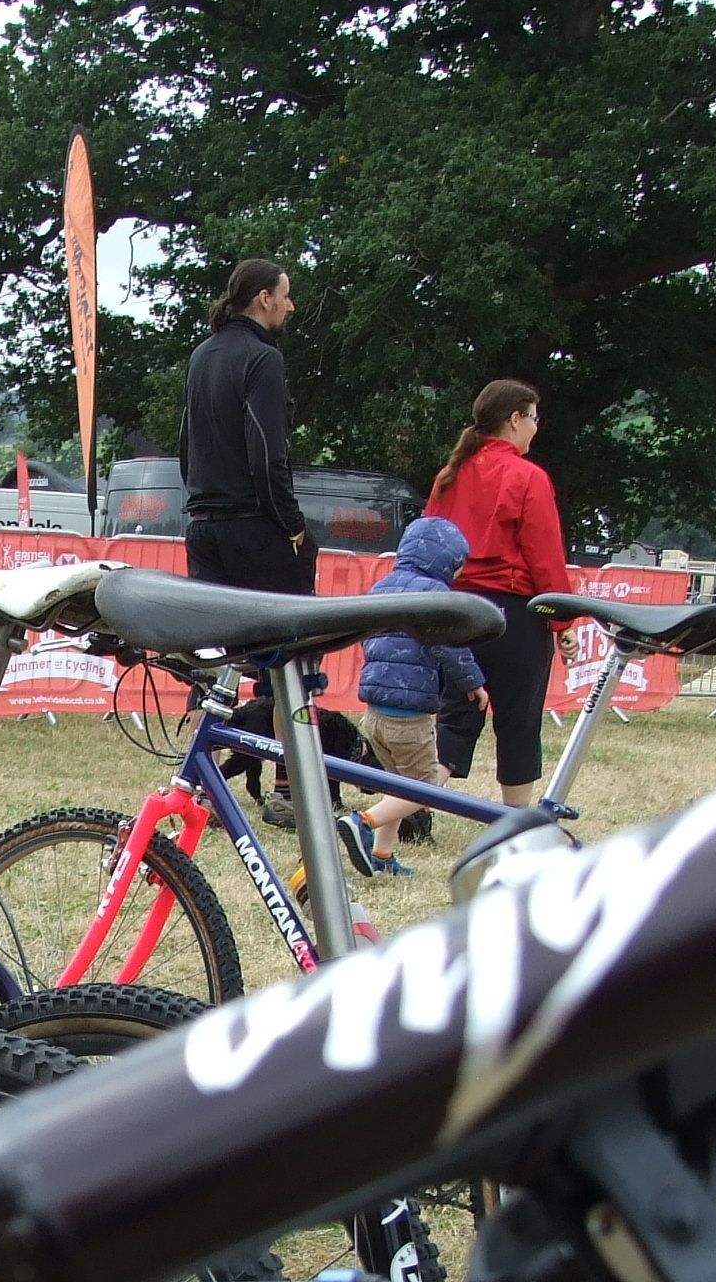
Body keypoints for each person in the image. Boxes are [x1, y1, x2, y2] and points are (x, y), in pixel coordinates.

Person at [425, 378, 571, 807]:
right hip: (516, 615)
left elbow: (429, 541)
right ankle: (514, 826)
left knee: (453, 722)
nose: (536, 429)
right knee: (519, 725)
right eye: (533, 418)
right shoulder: (528, 477)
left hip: (457, 611)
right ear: (515, 419)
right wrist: (563, 620)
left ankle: (394, 816)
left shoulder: (450, 475)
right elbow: (544, 554)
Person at [340, 514, 483, 874]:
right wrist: (473, 683)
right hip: (410, 715)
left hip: (374, 714)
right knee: (424, 788)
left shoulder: (382, 587)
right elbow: (449, 645)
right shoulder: (435, 597)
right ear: (446, 561)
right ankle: (362, 823)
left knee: (397, 786)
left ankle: (383, 856)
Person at [179, 260, 312, 593]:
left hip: (202, 531)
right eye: (286, 296)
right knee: (286, 641)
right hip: (253, 532)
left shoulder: (201, 355)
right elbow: (266, 456)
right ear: (265, 299)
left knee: (214, 643)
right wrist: (292, 524)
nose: (290, 306)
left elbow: (187, 447)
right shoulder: (264, 358)